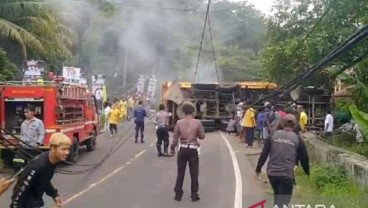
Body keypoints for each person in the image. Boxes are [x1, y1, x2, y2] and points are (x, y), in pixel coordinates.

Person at [255, 114, 310, 208]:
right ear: (295, 125)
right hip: (287, 175)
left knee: (278, 197)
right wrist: (307, 171)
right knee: (283, 202)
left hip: (272, 174)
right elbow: (304, 157)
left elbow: (264, 154)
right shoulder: (297, 139)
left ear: (281, 123)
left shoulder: (273, 135)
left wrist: (258, 168)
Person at [10, 133, 71, 208]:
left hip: (36, 201)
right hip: (26, 204)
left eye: (68, 149)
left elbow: (44, 179)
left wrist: (54, 194)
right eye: (63, 149)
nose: (67, 152)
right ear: (52, 148)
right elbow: (21, 188)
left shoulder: (52, 160)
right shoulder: (39, 166)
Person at [170, 104, 205, 202]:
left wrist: (172, 148)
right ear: (193, 112)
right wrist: (196, 133)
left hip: (182, 149)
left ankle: (178, 194)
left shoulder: (179, 122)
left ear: (184, 113)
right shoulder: (197, 122)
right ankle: (194, 195)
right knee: (194, 173)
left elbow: (175, 137)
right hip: (193, 149)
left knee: (180, 173)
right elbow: (202, 136)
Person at [13, 105, 45, 172]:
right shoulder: (23, 123)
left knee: (32, 165)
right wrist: (20, 143)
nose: (25, 113)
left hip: (32, 148)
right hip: (23, 147)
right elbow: (22, 135)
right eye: (25, 112)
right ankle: (20, 174)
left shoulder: (38, 122)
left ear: (33, 112)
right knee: (16, 162)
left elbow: (42, 133)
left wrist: (38, 143)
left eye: (27, 112)